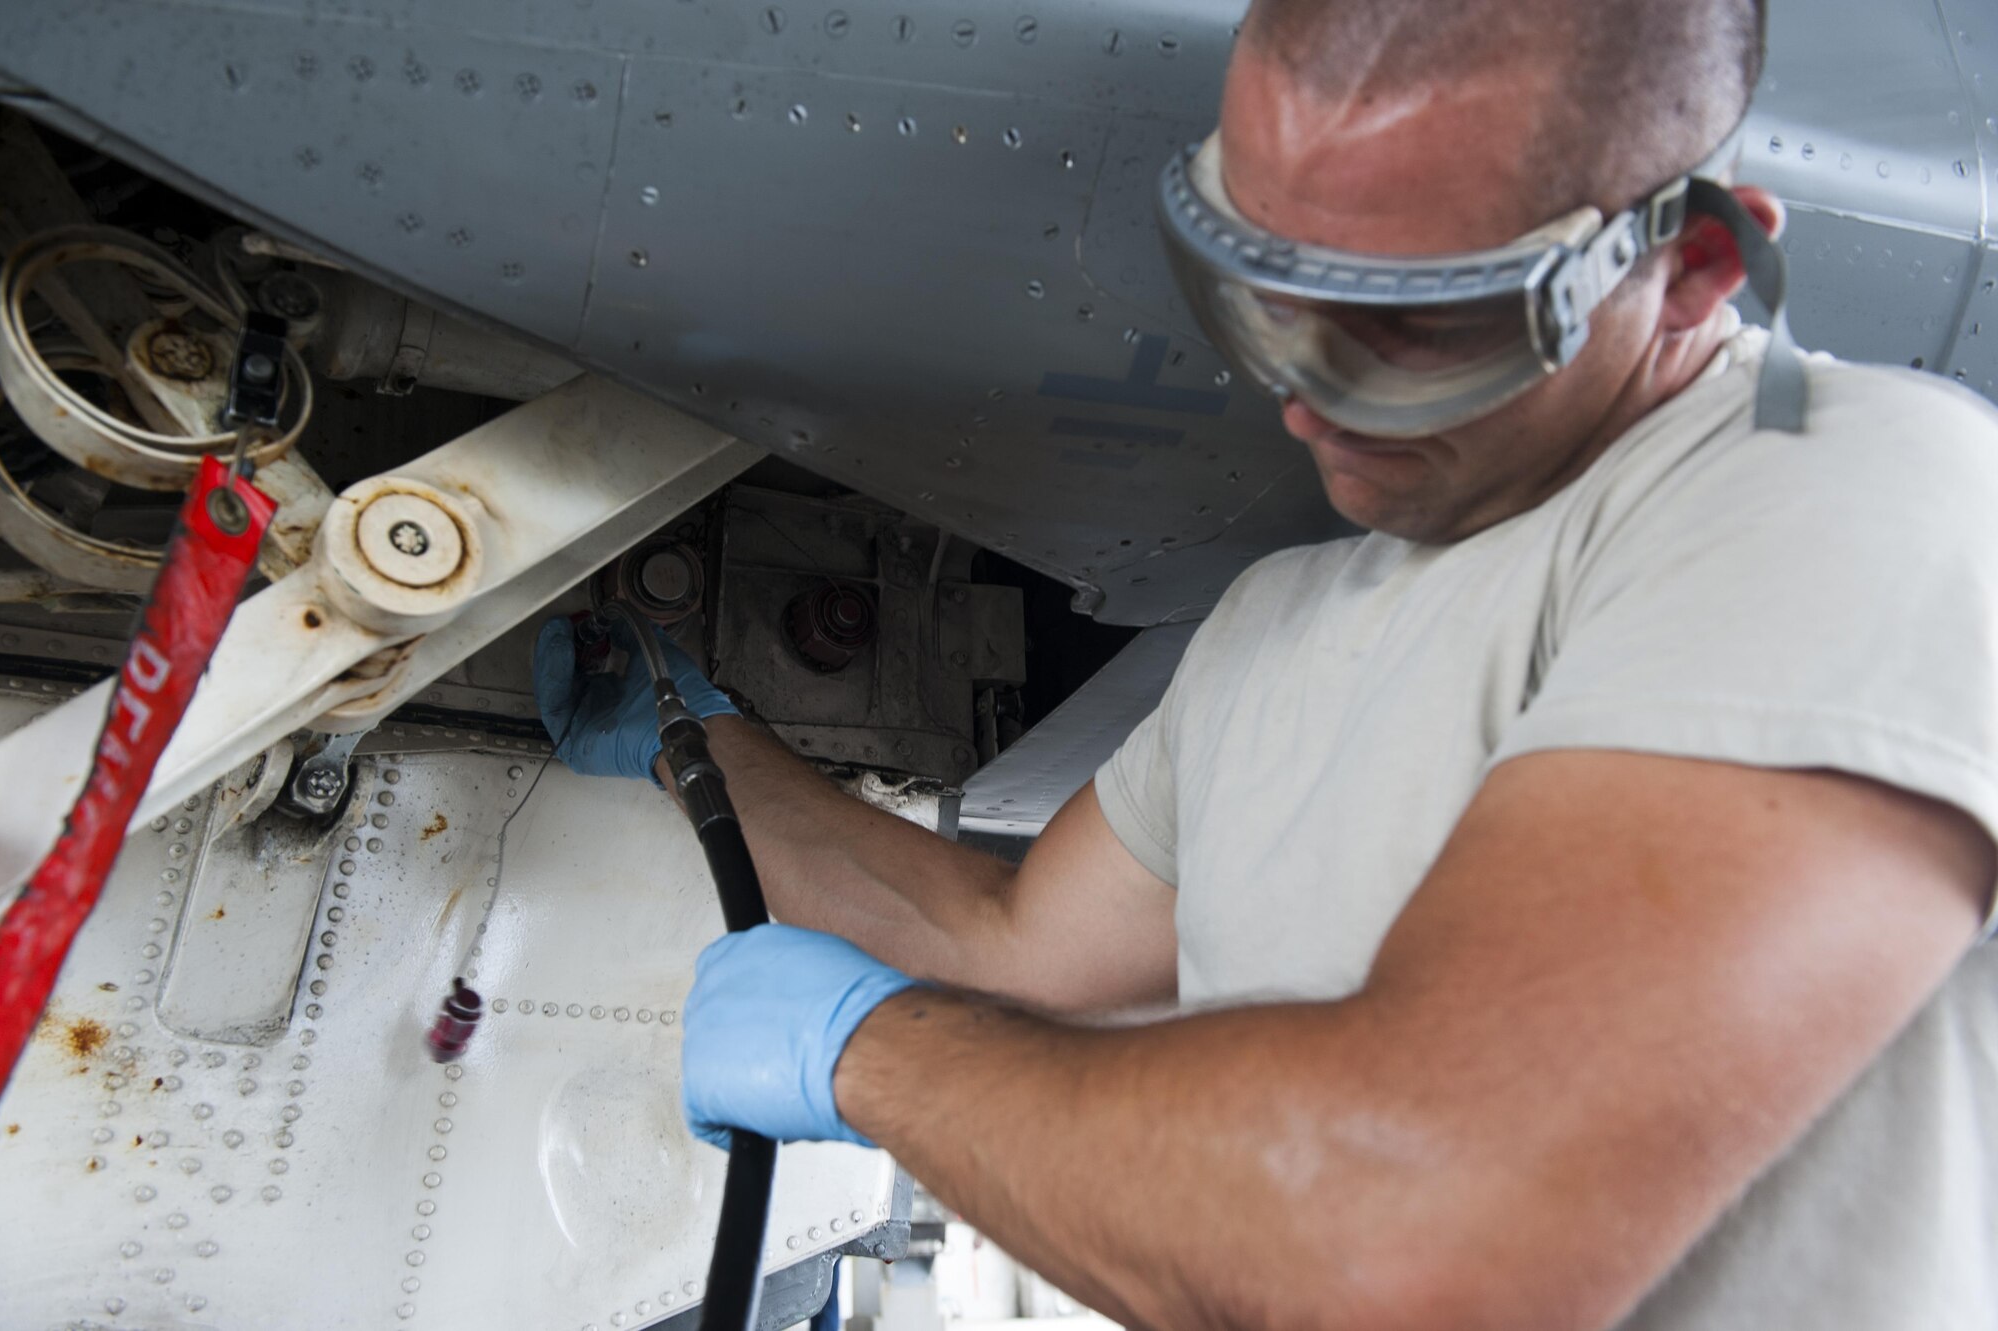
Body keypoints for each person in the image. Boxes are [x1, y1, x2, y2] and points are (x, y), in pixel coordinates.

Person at [532, 1, 1998, 1325]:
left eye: (1415, 329)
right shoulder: (1275, 627)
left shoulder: (1848, 486)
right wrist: (695, 737)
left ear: (1692, 268)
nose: (1307, 398)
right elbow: (1013, 955)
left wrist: (872, 1056)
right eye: (1260, 292)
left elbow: (1417, 1244)